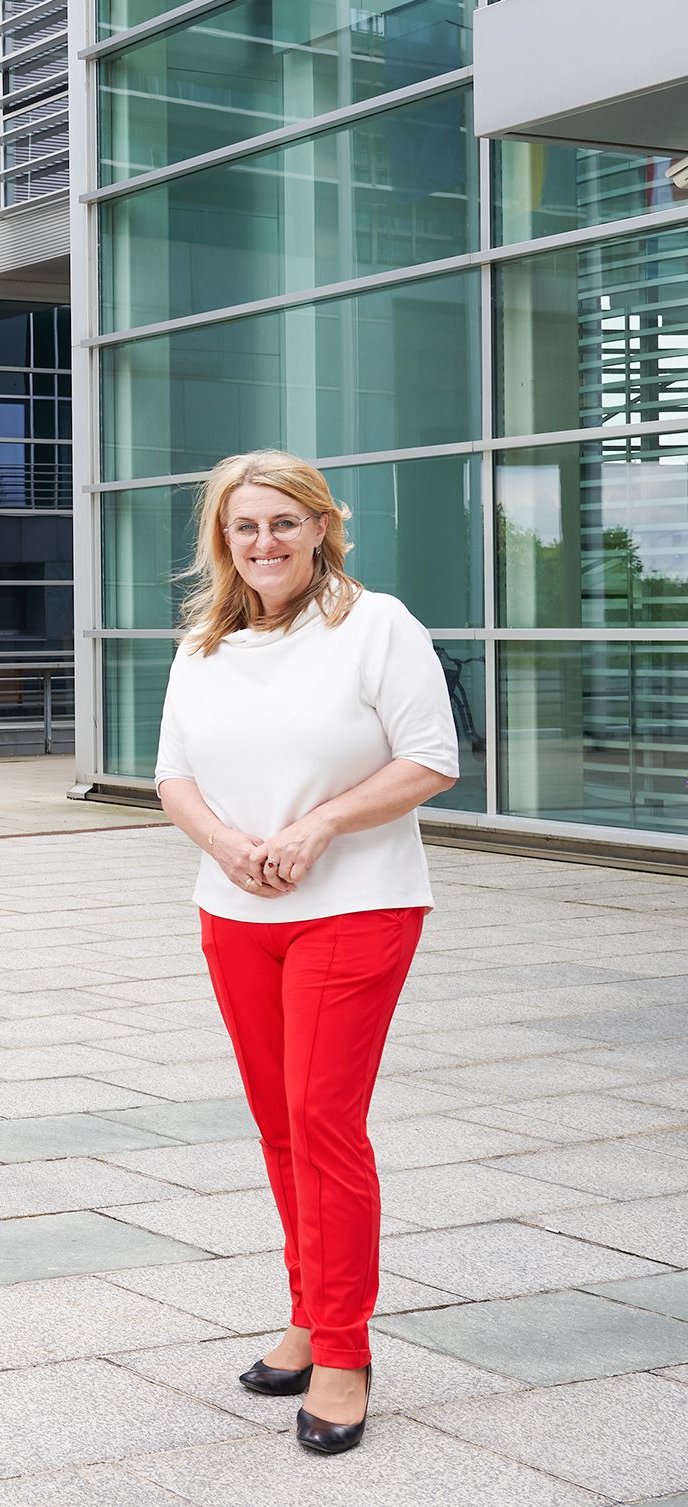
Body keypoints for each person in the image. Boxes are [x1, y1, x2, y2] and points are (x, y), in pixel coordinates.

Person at [153, 450, 459, 1456]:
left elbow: (429, 757)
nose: (263, 543)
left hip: (355, 906)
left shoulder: (375, 625)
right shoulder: (201, 644)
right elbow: (173, 779)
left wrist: (315, 827)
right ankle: (305, 1311)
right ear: (221, 540)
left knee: (323, 1121)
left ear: (321, 526)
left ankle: (342, 1349)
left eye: (283, 523)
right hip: (232, 908)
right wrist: (229, 846)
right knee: (278, 1126)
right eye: (244, 527)